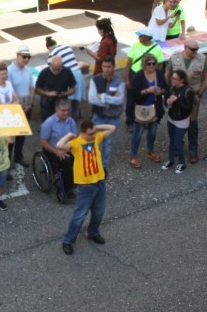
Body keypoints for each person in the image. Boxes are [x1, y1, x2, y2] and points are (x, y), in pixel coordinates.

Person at [57, 119, 115, 255]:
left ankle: (93, 233)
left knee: (99, 212)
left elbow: (112, 127)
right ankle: (68, 240)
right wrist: (69, 135)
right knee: (79, 215)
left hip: (100, 182)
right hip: (86, 186)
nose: (93, 135)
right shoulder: (76, 143)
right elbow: (59, 146)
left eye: (94, 133)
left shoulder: (96, 138)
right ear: (82, 133)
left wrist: (96, 127)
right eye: (90, 134)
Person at [87, 56, 125, 168]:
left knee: (108, 144)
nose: (106, 69)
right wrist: (109, 101)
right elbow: (92, 99)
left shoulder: (119, 82)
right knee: (95, 142)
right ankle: (94, 165)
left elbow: (120, 100)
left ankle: (103, 166)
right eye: (104, 66)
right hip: (98, 116)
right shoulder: (95, 80)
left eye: (109, 66)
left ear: (114, 66)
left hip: (113, 118)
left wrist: (103, 96)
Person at [128, 56, 162, 169]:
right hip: (141, 108)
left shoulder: (159, 74)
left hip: (155, 108)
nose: (151, 66)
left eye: (153, 63)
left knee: (153, 132)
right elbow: (133, 93)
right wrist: (147, 91)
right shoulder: (138, 76)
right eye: (149, 64)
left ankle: (150, 151)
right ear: (144, 65)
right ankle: (133, 155)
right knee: (138, 133)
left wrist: (161, 91)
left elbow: (165, 87)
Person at [124, 33, 164, 129]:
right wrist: (127, 79)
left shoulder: (157, 48)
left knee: (146, 100)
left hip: (147, 77)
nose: (138, 37)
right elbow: (128, 64)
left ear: (147, 37)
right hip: (135, 76)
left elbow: (160, 65)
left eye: (141, 36)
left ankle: (146, 119)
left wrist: (155, 78)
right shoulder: (135, 45)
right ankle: (130, 121)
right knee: (131, 100)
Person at [7, 45, 36, 166]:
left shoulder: (28, 70)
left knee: (22, 133)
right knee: (11, 136)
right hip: (14, 106)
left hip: (26, 104)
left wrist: (30, 103)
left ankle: (19, 156)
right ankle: (7, 160)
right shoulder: (9, 71)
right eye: (24, 57)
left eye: (28, 57)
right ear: (17, 56)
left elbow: (31, 87)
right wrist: (18, 106)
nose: (26, 59)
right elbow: (9, 90)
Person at [162, 69, 195, 173]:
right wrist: (167, 101)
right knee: (172, 140)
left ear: (182, 80)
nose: (173, 81)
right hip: (171, 118)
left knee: (177, 142)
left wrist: (177, 100)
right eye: (172, 78)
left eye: (175, 79)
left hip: (182, 120)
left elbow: (188, 108)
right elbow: (166, 99)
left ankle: (182, 163)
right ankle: (171, 160)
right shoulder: (172, 88)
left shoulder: (188, 91)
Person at [47, 37, 84, 115]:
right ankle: (74, 113)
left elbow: (52, 69)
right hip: (78, 72)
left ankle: (64, 114)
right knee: (75, 97)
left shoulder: (52, 53)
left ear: (48, 47)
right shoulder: (67, 47)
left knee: (65, 97)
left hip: (68, 75)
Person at [35, 56, 76, 123]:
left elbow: (73, 89)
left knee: (62, 123)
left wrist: (65, 93)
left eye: (59, 69)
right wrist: (47, 93)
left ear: (62, 65)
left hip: (62, 104)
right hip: (47, 104)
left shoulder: (67, 71)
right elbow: (37, 89)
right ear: (50, 65)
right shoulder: (44, 73)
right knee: (48, 123)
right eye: (54, 69)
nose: (56, 72)